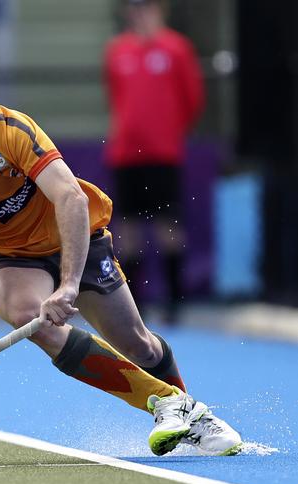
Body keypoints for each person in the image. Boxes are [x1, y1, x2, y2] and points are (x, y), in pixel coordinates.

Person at [0, 56, 240, 456]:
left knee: (139, 347)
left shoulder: (3, 128)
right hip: (5, 257)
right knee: (28, 314)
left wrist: (68, 285)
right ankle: (167, 403)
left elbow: (69, 196)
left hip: (72, 238)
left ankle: (189, 414)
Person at [103, 0, 205, 324]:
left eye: (146, 6)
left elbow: (193, 100)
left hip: (163, 155)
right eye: (134, 7)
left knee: (168, 226)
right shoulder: (117, 51)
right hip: (125, 155)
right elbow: (116, 97)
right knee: (128, 230)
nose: (140, 13)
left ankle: (175, 302)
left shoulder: (177, 49)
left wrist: (167, 133)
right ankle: (135, 308)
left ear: (160, 9)